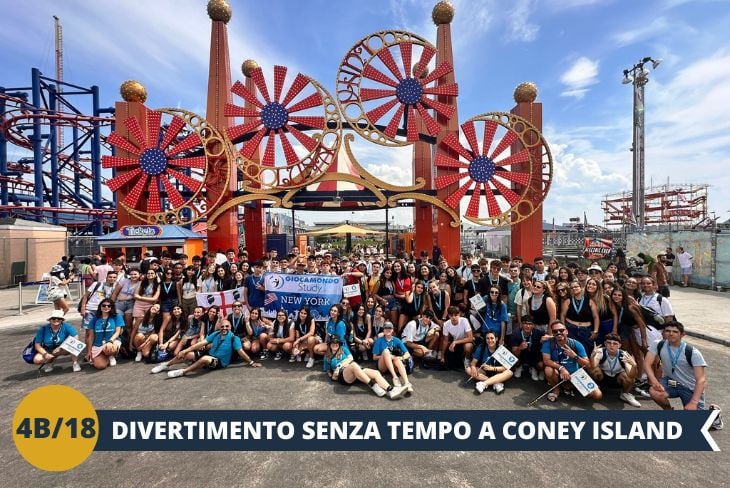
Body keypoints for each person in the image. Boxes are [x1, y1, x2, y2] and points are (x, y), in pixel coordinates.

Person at [643, 321, 723, 430]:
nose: (671, 334)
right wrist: (654, 381)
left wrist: (694, 402)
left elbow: (701, 380)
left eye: (675, 332)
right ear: (664, 333)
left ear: (682, 335)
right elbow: (647, 363)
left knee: (694, 427)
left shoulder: (692, 352)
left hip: (691, 388)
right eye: (668, 331)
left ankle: (714, 414)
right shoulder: (658, 344)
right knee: (654, 391)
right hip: (671, 382)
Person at [152, 320, 262, 377]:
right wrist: (186, 350)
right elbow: (201, 344)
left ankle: (183, 372)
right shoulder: (215, 333)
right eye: (222, 326)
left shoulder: (234, 338)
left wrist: (251, 362)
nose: (224, 328)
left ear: (230, 327)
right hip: (210, 353)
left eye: (226, 326)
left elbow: (241, 352)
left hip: (219, 362)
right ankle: (165, 365)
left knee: (205, 358)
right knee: (186, 354)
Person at [324, 336, 406, 399]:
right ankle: (373, 385)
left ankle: (391, 390)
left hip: (356, 370)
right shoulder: (327, 357)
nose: (335, 344)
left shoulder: (343, 349)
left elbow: (351, 358)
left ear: (339, 344)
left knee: (376, 373)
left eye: (337, 343)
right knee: (353, 365)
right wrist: (333, 377)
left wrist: (339, 365)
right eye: (332, 343)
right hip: (344, 376)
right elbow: (328, 372)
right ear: (329, 344)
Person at [541, 320, 602, 402]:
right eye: (555, 331)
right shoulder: (548, 343)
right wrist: (561, 368)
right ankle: (556, 390)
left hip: (574, 374)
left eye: (561, 330)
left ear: (566, 331)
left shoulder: (576, 344)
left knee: (597, 395)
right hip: (559, 373)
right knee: (548, 369)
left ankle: (569, 386)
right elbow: (546, 361)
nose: (558, 333)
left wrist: (575, 356)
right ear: (552, 333)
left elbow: (588, 365)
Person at [590, 333, 642, 407]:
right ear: (605, 343)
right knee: (595, 370)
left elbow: (631, 376)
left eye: (615, 343)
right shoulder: (600, 351)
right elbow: (593, 367)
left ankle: (625, 394)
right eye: (609, 343)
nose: (611, 345)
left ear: (619, 345)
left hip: (617, 380)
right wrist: (592, 357)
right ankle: (595, 388)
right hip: (602, 378)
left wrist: (634, 365)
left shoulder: (624, 354)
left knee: (627, 376)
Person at [560, 280, 599, 355]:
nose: (574, 288)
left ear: (581, 288)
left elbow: (596, 317)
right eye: (571, 288)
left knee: (586, 351)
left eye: (576, 287)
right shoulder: (568, 301)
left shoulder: (590, 301)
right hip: (571, 329)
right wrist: (563, 328)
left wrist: (595, 331)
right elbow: (562, 315)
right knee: (572, 350)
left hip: (586, 330)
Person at [372, 321, 413, 392]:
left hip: (394, 364)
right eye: (386, 328)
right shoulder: (379, 341)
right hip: (383, 366)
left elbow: (407, 354)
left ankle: (407, 383)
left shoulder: (397, 340)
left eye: (389, 328)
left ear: (392, 330)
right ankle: (395, 377)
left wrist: (401, 358)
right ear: (383, 330)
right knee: (386, 351)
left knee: (397, 359)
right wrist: (387, 356)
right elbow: (374, 357)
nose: (388, 330)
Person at [86, 299, 124, 370]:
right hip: (98, 344)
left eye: (109, 306)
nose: (106, 307)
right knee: (100, 366)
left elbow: (117, 332)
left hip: (112, 341)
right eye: (104, 305)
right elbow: (91, 336)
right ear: (100, 307)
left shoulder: (117, 317)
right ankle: (105, 358)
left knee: (109, 348)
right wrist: (89, 351)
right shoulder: (94, 319)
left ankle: (111, 356)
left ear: (111, 307)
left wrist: (110, 341)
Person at [80, 270, 118, 337]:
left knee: (98, 331)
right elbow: (85, 296)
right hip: (90, 309)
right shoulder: (97, 284)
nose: (112, 279)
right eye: (110, 277)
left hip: (102, 311)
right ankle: (88, 347)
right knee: (88, 331)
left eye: (114, 277)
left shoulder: (115, 288)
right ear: (106, 277)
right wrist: (83, 308)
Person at [510, 316, 546, 381]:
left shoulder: (538, 333)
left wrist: (546, 339)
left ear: (534, 325)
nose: (528, 326)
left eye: (530, 324)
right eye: (525, 323)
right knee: (514, 359)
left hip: (534, 355)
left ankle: (535, 368)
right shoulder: (516, 333)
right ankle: (519, 366)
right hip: (522, 355)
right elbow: (514, 351)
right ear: (521, 324)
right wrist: (519, 348)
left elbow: (550, 338)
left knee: (541, 364)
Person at [440, 306, 474, 370]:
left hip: (466, 341)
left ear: (459, 314)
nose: (454, 317)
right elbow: (445, 341)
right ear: (448, 316)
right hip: (456, 342)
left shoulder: (464, 320)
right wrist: (442, 356)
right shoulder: (446, 324)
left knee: (468, 347)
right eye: (451, 315)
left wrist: (455, 342)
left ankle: (467, 360)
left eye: (456, 315)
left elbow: (470, 338)